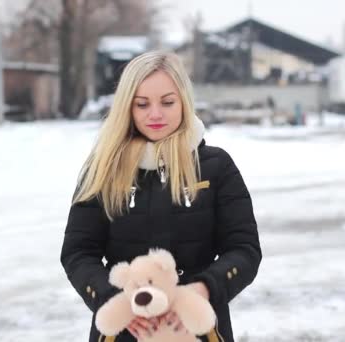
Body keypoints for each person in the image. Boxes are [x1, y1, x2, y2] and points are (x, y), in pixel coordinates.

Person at [60, 50, 261, 342]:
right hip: (125, 330)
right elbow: (78, 253)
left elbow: (244, 249)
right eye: (142, 104)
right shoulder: (103, 168)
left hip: (196, 327)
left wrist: (204, 290)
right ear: (127, 107)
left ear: (183, 101)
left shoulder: (216, 167)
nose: (155, 114)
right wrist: (114, 300)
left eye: (167, 102)